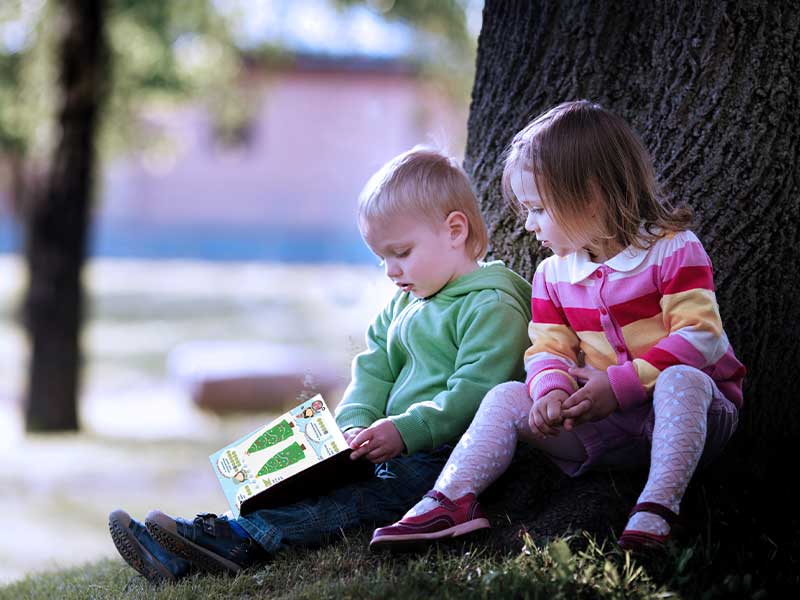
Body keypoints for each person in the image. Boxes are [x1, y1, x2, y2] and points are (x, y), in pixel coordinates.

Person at [108, 146, 533, 583]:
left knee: (350, 503)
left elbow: (476, 391)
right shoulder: (406, 301)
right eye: (381, 258)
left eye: (401, 252)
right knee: (282, 469)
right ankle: (191, 548)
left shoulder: (492, 304)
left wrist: (404, 429)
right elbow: (374, 367)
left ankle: (241, 538)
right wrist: (353, 423)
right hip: (381, 442)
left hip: (439, 458)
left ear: (455, 231)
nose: (390, 271)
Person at [371, 101, 745, 553]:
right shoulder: (553, 275)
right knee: (508, 395)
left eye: (537, 209)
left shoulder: (673, 250)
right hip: (609, 431)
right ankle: (448, 501)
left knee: (681, 380)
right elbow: (547, 347)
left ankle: (658, 508)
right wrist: (550, 390)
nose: (528, 224)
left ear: (589, 196)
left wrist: (619, 385)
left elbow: (699, 338)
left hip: (693, 421)